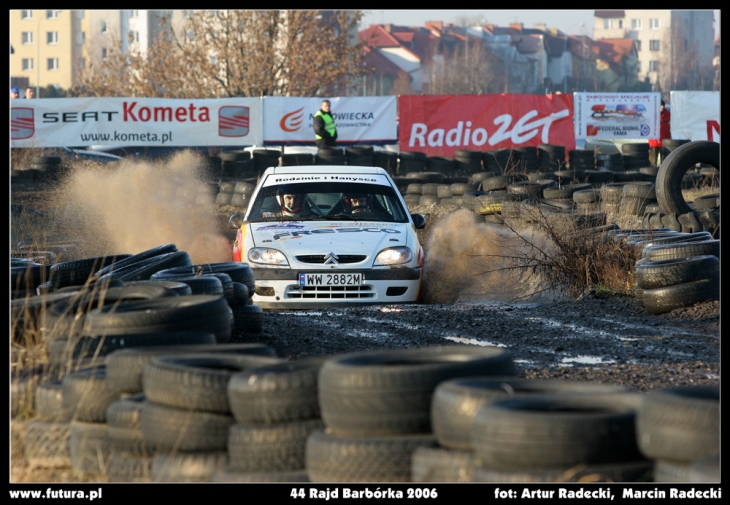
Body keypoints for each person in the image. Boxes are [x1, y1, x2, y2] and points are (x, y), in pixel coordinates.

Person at [649, 100, 671, 167]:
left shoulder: (668, 115)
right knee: (653, 161)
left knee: (664, 161)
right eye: (660, 106)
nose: (662, 107)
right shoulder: (652, 115)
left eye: (663, 106)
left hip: (665, 141)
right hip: (654, 142)